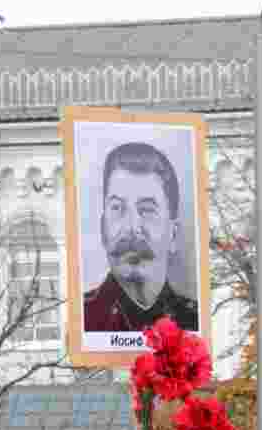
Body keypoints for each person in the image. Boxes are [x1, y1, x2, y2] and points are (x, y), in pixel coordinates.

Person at [83, 142, 198, 334]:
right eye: (118, 208)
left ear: (173, 234)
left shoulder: (194, 321)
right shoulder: (81, 319)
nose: (132, 227)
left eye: (146, 210)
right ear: (103, 228)